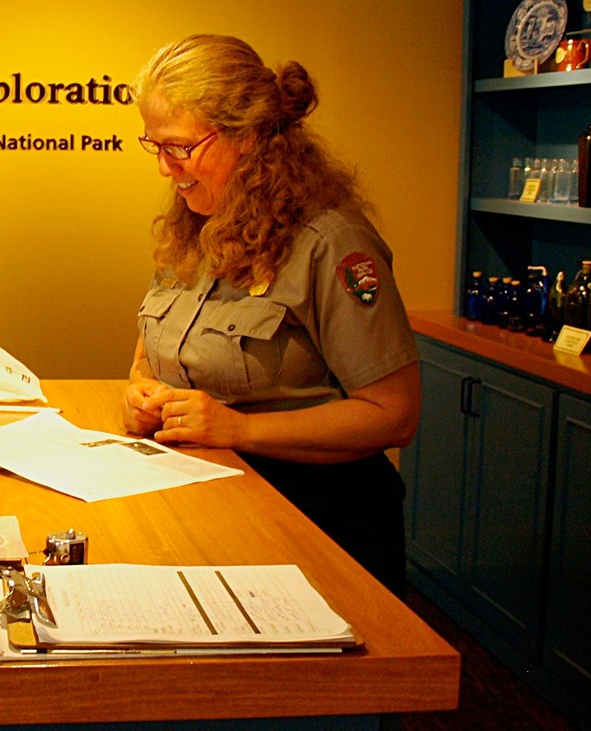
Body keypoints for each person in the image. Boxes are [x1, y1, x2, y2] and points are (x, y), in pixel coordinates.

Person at [122, 35, 420, 595]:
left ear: (250, 136)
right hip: (215, 511)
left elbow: (394, 414)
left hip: (321, 525)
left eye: (180, 147)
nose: (166, 168)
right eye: (154, 145)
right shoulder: (195, 226)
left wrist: (242, 429)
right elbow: (147, 359)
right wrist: (142, 398)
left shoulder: (330, 242)